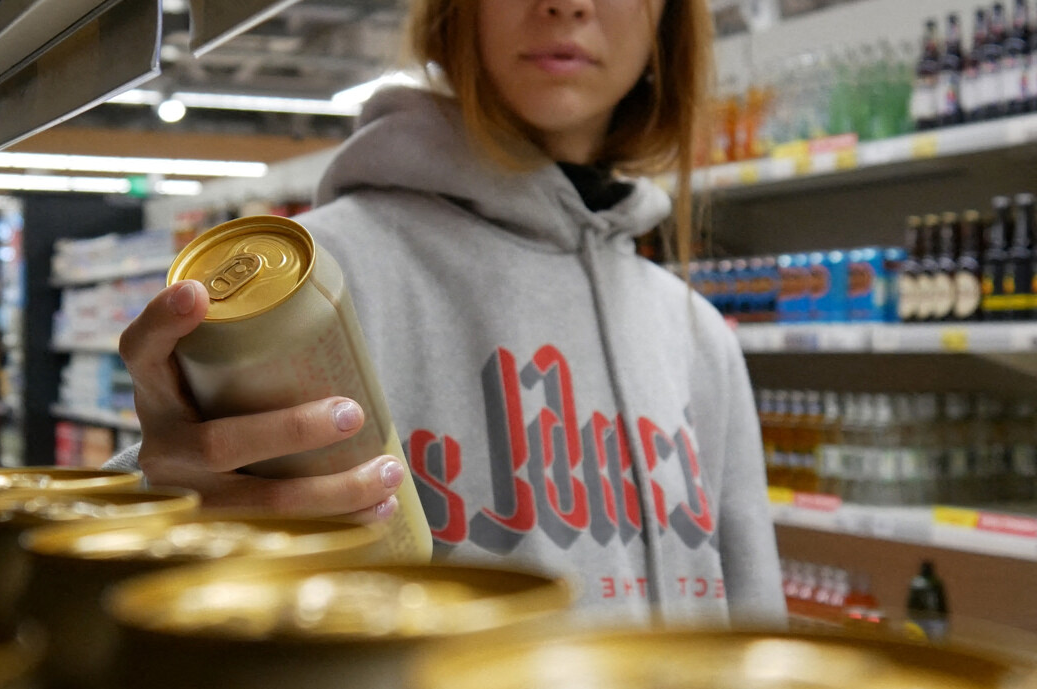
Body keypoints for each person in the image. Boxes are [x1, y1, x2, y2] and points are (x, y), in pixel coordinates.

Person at [108, 0, 786, 627]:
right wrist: (165, 513)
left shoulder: (694, 333)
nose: (568, 3)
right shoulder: (319, 279)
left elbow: (759, 643)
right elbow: (123, 558)